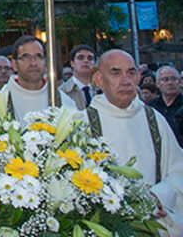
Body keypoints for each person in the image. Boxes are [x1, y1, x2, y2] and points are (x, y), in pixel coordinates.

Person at [86, 50, 183, 234]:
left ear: (138, 76)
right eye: (116, 73)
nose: (126, 81)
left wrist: (157, 196)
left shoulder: (154, 119)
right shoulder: (83, 123)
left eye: (131, 73)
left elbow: (179, 170)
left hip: (154, 225)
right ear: (99, 80)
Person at [1, 35, 75, 127]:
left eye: (38, 56)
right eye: (26, 57)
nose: (33, 63)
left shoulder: (63, 102)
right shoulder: (1, 101)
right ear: (14, 64)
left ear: (46, 63)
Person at [149, 66, 183, 145]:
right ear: (157, 83)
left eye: (174, 79)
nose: (170, 83)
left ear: (180, 82)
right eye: (165, 79)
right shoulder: (151, 106)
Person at [59, 44, 98, 110]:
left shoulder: (103, 90)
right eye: (80, 58)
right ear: (72, 63)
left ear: (94, 64)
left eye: (90, 58)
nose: (86, 61)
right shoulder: (62, 92)